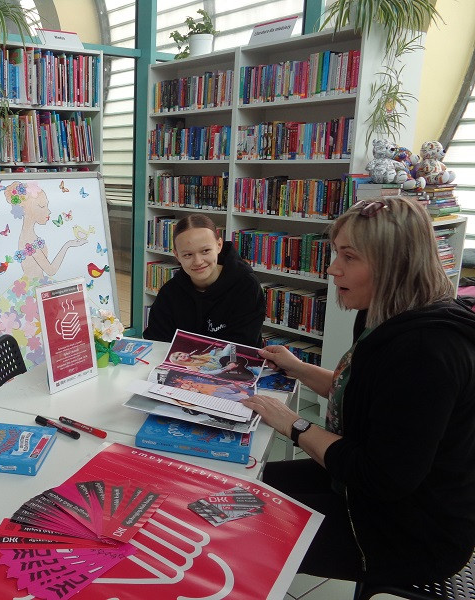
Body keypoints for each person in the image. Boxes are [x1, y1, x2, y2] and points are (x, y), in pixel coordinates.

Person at [241, 197, 475, 585]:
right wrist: (298, 368)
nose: (333, 268)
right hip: (367, 490)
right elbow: (363, 393)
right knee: (237, 489)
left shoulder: (426, 352)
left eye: (349, 257)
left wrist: (294, 425)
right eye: (337, 253)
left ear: (395, 264)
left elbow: (382, 477)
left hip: (410, 532)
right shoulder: (384, 313)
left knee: (236, 527)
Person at [143, 214, 265, 346]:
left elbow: (244, 345)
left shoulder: (246, 286)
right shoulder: (169, 293)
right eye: (188, 255)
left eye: (205, 251)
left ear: (219, 245)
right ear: (177, 255)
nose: (198, 261)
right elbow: (156, 341)